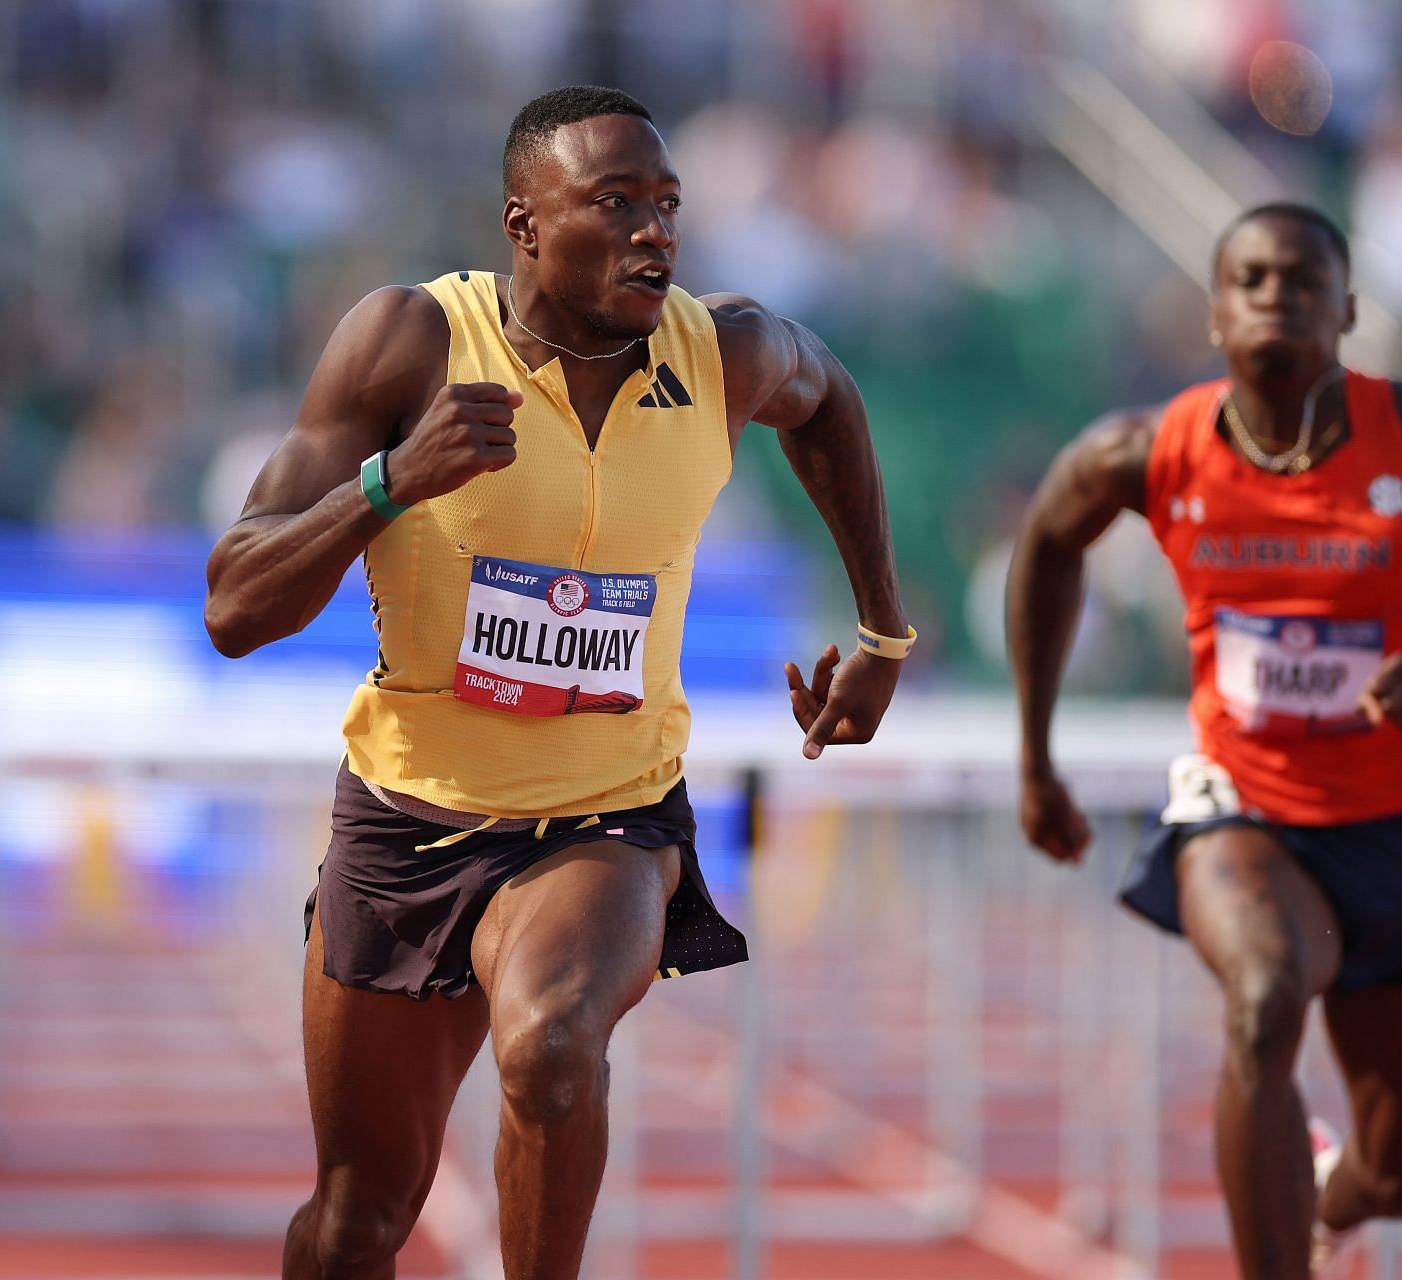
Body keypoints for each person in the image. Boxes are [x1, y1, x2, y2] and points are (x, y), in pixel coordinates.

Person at [203, 85, 912, 1280]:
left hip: (604, 814)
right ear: (524, 223)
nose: (655, 233)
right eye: (614, 202)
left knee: (553, 1048)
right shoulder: (410, 342)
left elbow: (829, 395)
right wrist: (387, 483)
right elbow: (232, 604)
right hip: (410, 814)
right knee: (354, 1221)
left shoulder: (721, 350)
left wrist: (882, 632)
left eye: (668, 206)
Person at [1007, 204, 1402, 1278]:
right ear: (1216, 312)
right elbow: (1047, 542)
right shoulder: (1147, 450)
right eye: (1254, 278)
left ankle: (1325, 1193)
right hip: (1245, 807)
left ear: (1349, 309)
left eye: (1305, 279)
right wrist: (1036, 758)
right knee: (1265, 996)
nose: (1279, 296)